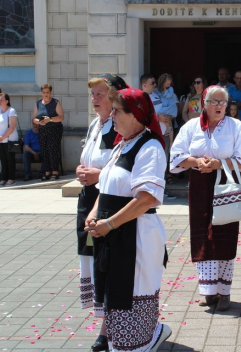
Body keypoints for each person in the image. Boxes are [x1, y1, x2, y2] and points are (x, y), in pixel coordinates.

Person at [85, 88, 171, 352]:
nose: (112, 116)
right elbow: (106, 187)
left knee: (130, 296)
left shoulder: (150, 147)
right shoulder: (123, 143)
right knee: (114, 297)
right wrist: (93, 213)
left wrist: (109, 223)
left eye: (117, 111)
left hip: (135, 235)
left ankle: (145, 340)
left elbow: (146, 198)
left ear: (135, 115)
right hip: (114, 235)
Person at [169, 86, 241, 311]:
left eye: (223, 102)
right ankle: (208, 290)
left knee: (225, 234)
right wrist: (196, 162)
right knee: (203, 234)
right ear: (204, 103)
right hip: (200, 186)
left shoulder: (236, 127)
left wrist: (219, 164)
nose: (219, 107)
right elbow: (175, 156)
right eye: (214, 102)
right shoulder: (191, 126)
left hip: (225, 184)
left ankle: (224, 292)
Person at [77, 74, 128, 352]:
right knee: (92, 259)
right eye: (92, 95)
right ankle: (106, 325)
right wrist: (82, 170)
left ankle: (107, 330)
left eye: (99, 94)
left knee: (105, 263)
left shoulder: (120, 128)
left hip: (107, 202)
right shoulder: (96, 124)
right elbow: (89, 157)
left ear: (114, 97)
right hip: (88, 199)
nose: (94, 99)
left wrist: (97, 173)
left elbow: (118, 165)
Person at [140, 74, 177, 200]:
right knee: (150, 164)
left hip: (164, 134)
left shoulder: (157, 96)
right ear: (144, 85)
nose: (155, 85)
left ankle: (161, 190)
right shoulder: (140, 98)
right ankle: (150, 191)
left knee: (162, 164)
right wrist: (158, 117)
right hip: (149, 136)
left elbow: (166, 110)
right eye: (152, 83)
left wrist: (168, 117)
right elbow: (142, 117)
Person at [33, 83, 64, 181]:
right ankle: (47, 172)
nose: (45, 94)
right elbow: (34, 118)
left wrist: (49, 119)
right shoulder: (38, 103)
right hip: (43, 129)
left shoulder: (55, 102)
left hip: (54, 129)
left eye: (47, 92)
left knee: (52, 150)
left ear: (50, 92)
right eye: (44, 92)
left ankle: (55, 171)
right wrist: (39, 122)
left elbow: (61, 117)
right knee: (44, 150)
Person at [153, 73, 179, 184]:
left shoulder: (170, 90)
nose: (168, 84)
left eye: (169, 82)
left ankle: (171, 143)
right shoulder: (156, 92)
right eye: (167, 81)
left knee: (169, 125)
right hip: (161, 114)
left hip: (168, 110)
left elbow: (170, 99)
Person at [0, 93, 18, 186]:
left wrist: (3, 136)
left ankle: (11, 178)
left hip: (9, 140)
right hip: (0, 140)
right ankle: (4, 178)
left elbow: (12, 126)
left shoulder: (11, 111)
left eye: (1, 100)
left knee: (10, 159)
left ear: (7, 101)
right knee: (3, 159)